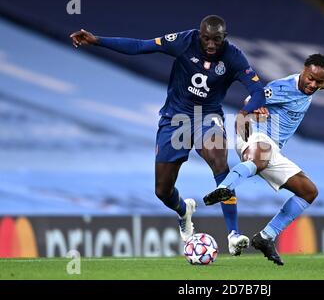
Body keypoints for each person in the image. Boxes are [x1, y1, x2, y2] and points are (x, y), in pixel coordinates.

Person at [70, 15, 269, 255]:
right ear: (199, 34)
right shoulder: (184, 41)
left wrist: (246, 111)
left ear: (224, 37)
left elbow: (258, 90)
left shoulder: (234, 56)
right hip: (175, 119)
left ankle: (233, 234)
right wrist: (97, 40)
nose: (211, 45)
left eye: (217, 39)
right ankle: (184, 211)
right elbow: (140, 46)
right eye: (206, 38)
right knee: (162, 191)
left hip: (207, 117)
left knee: (219, 159)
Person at [203, 54, 324, 265]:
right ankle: (225, 188)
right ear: (303, 71)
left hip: (273, 149)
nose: (313, 84)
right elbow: (248, 104)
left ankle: (266, 237)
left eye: (318, 81)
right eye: (310, 78)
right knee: (261, 153)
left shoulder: (316, 83)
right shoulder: (282, 88)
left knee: (308, 191)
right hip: (254, 135)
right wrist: (249, 117)